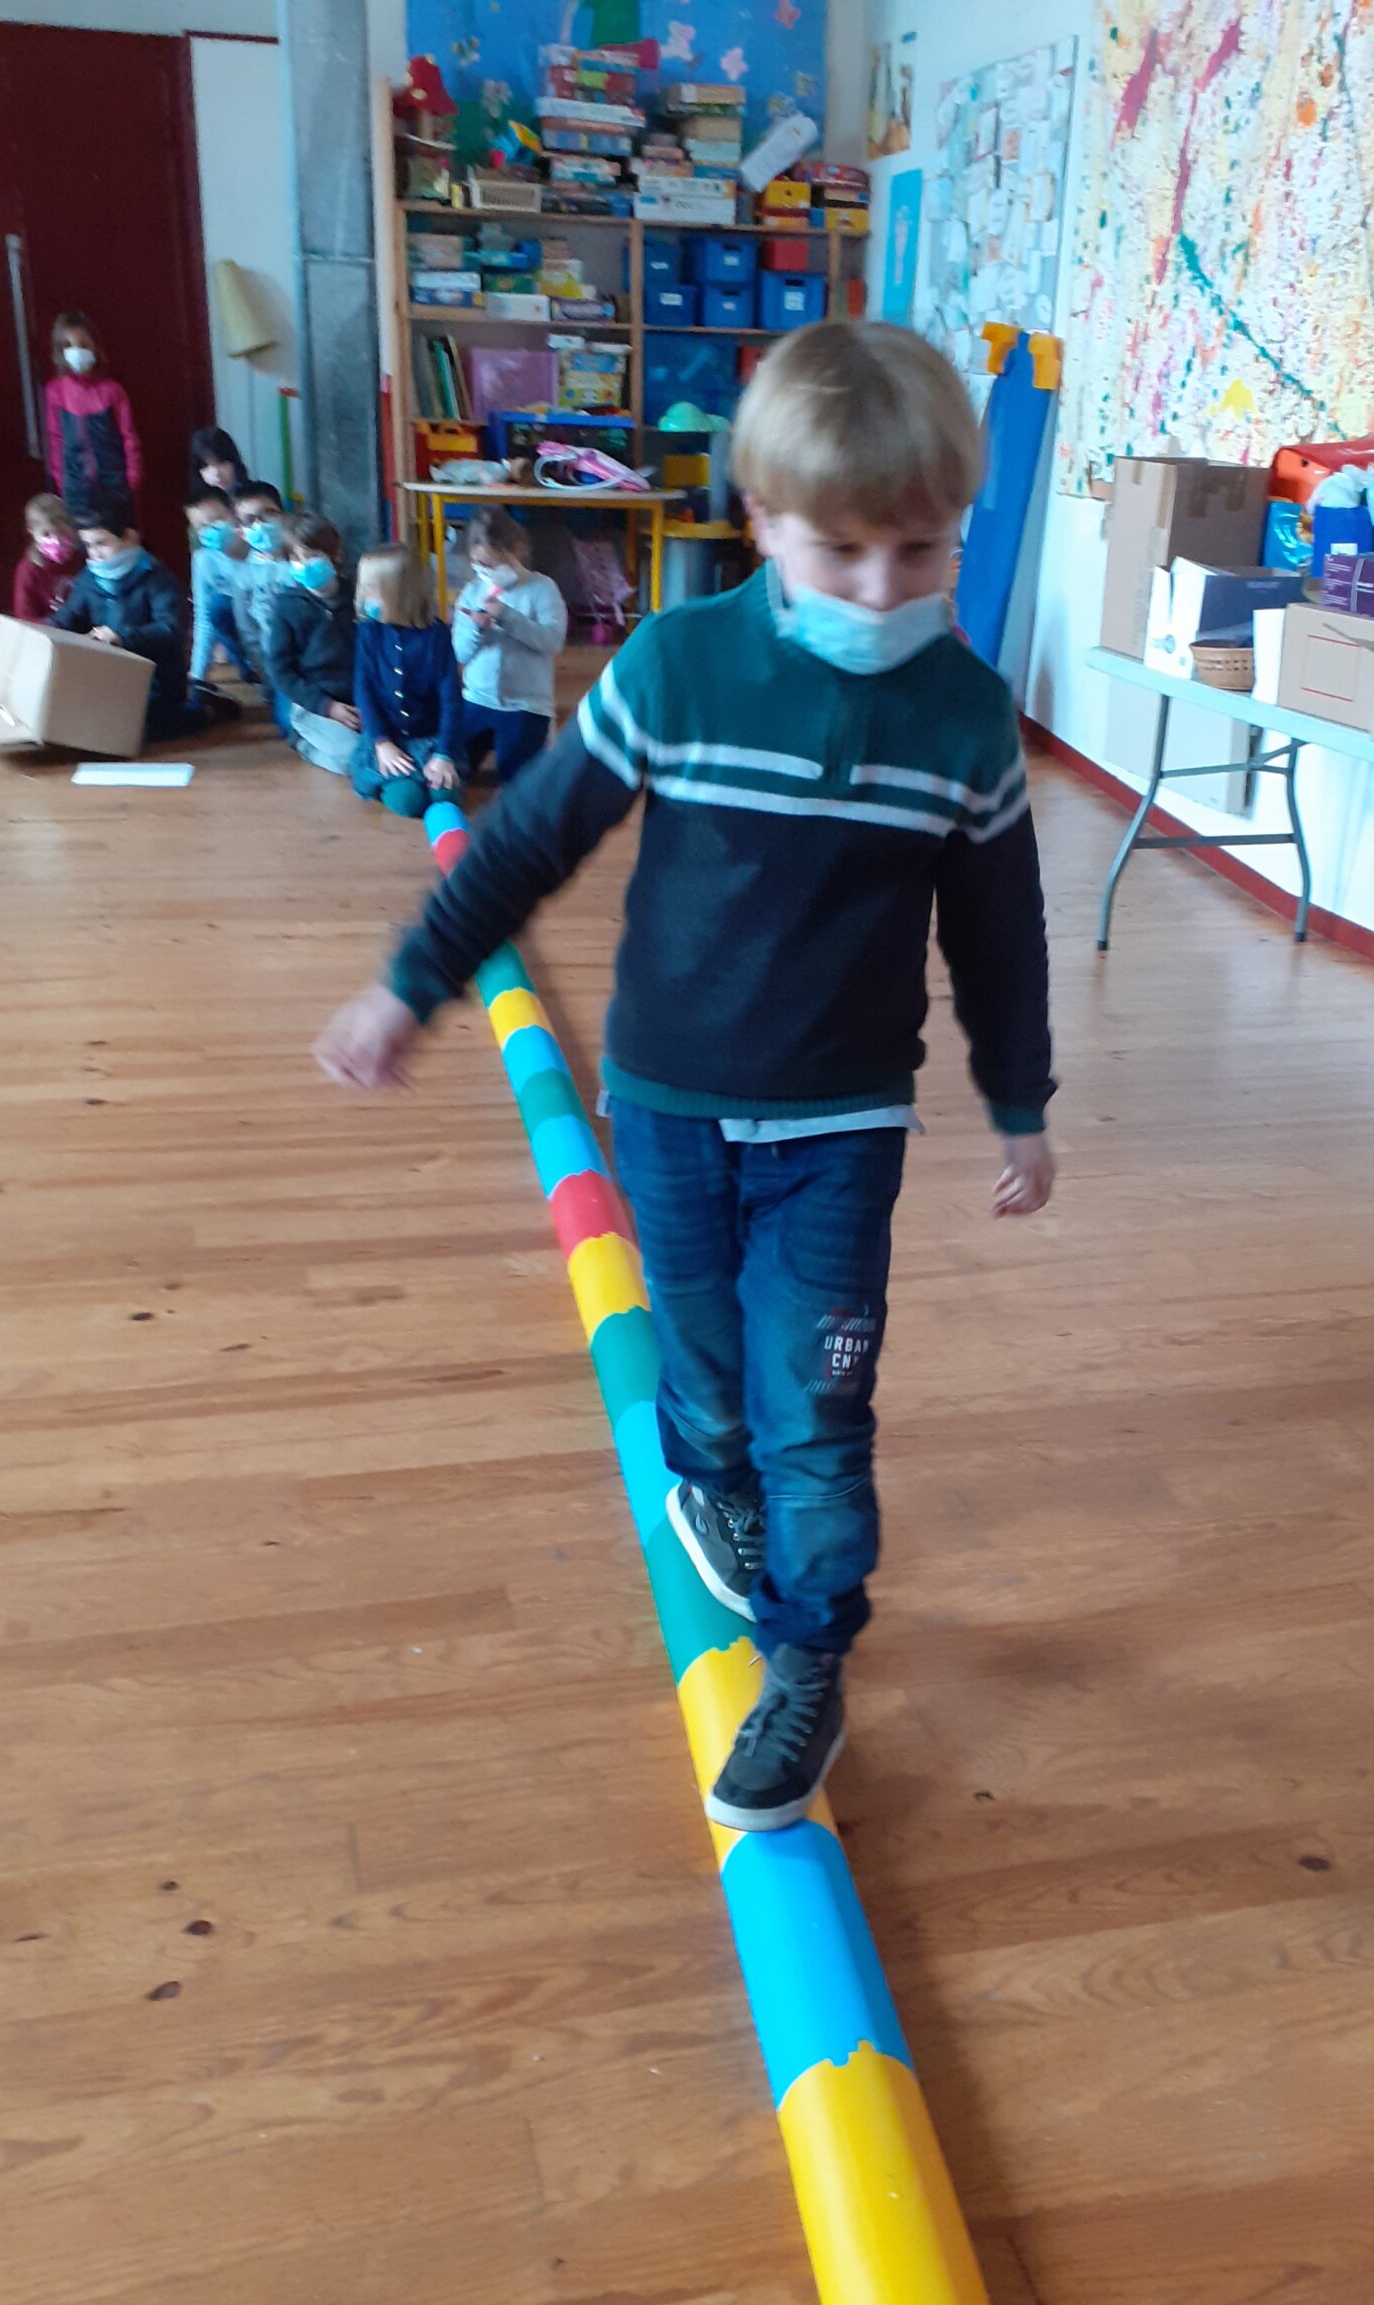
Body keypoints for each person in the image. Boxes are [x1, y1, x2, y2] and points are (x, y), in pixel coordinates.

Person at [314, 322, 1055, 1831]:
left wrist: (1021, 1100)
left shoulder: (967, 719)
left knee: (818, 1417)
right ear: (763, 521)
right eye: (842, 551)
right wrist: (411, 985)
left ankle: (811, 1657)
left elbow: (1000, 925)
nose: (881, 590)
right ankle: (710, 1482)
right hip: (669, 1110)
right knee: (705, 1377)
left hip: (843, 1129)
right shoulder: (676, 668)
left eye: (921, 553)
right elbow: (530, 840)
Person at [52, 507, 230, 743]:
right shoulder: (89, 578)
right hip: (109, 676)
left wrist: (121, 637)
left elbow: (170, 629)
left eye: (101, 543)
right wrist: (45, 632)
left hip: (155, 677)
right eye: (88, 545)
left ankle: (205, 709)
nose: (95, 553)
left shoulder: (156, 577)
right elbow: (67, 618)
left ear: (129, 537)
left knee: (135, 730)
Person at [451, 507, 566, 783]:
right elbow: (460, 653)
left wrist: (507, 616)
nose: (485, 572)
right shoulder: (472, 592)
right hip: (478, 698)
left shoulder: (542, 588)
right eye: (479, 565)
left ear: (514, 552)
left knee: (516, 781)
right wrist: (476, 629)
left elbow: (552, 641)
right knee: (453, 771)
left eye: (492, 564)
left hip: (525, 704)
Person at [350, 542, 464, 818]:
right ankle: (395, 782)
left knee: (445, 795)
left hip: (430, 739)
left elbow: (451, 699)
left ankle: (426, 774)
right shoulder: (369, 632)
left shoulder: (437, 635)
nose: (365, 597)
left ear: (399, 593)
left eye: (372, 589)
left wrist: (444, 754)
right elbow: (364, 691)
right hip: (388, 740)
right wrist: (381, 743)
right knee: (408, 801)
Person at [265, 509, 360, 776]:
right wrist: (327, 707)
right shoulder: (287, 606)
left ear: (335, 555)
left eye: (312, 556)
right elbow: (281, 671)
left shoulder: (358, 595)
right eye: (295, 559)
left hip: (361, 698)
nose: (304, 565)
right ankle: (303, 743)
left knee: (385, 748)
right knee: (354, 759)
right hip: (316, 703)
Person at [44, 310, 141, 529]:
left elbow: (129, 437)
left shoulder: (112, 391)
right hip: (75, 491)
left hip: (115, 487)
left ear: (95, 347)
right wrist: (61, 482)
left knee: (120, 540)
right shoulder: (55, 392)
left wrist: (132, 479)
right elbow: (55, 440)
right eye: (68, 345)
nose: (76, 351)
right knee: (83, 542)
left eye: (83, 344)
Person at [186, 490, 256, 685]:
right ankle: (247, 666)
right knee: (218, 605)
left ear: (234, 515)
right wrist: (197, 675)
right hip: (240, 638)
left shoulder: (258, 547)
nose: (211, 529)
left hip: (265, 631)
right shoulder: (203, 560)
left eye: (217, 520)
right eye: (202, 526)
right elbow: (203, 617)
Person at [232, 482, 289, 705]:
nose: (260, 524)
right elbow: (250, 634)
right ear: (241, 531)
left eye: (268, 514)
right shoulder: (243, 576)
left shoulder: (304, 563)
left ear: (284, 516)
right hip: (276, 665)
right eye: (250, 520)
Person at [11, 492, 83, 625]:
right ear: (31, 531)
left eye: (61, 532)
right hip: (46, 630)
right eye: (46, 534)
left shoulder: (81, 559)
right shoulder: (29, 569)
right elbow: (25, 615)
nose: (56, 540)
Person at [187, 426, 245, 503]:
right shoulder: (195, 505)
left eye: (221, 463)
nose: (216, 473)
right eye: (206, 466)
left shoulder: (255, 496)